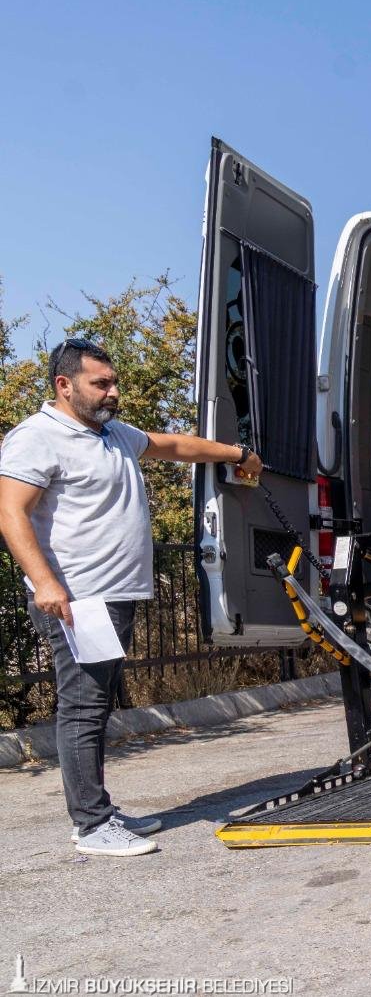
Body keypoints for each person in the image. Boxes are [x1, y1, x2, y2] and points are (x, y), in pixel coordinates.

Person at [0, 338, 263, 857]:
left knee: (96, 705)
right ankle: (93, 825)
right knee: (83, 707)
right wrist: (47, 584)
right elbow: (10, 513)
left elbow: (174, 446)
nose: (113, 392)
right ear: (64, 385)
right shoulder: (37, 438)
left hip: (111, 595)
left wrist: (239, 454)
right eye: (101, 383)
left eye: (113, 382)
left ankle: (99, 812)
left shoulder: (112, 433)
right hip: (79, 598)